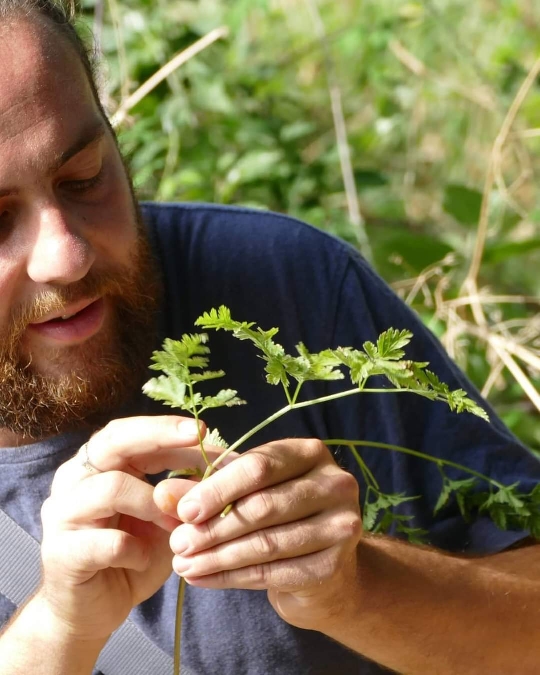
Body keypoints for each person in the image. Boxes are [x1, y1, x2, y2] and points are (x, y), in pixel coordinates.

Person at [0, 2, 539, 674]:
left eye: (84, 178)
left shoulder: (285, 283)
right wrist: (56, 630)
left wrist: (355, 587)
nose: (67, 254)